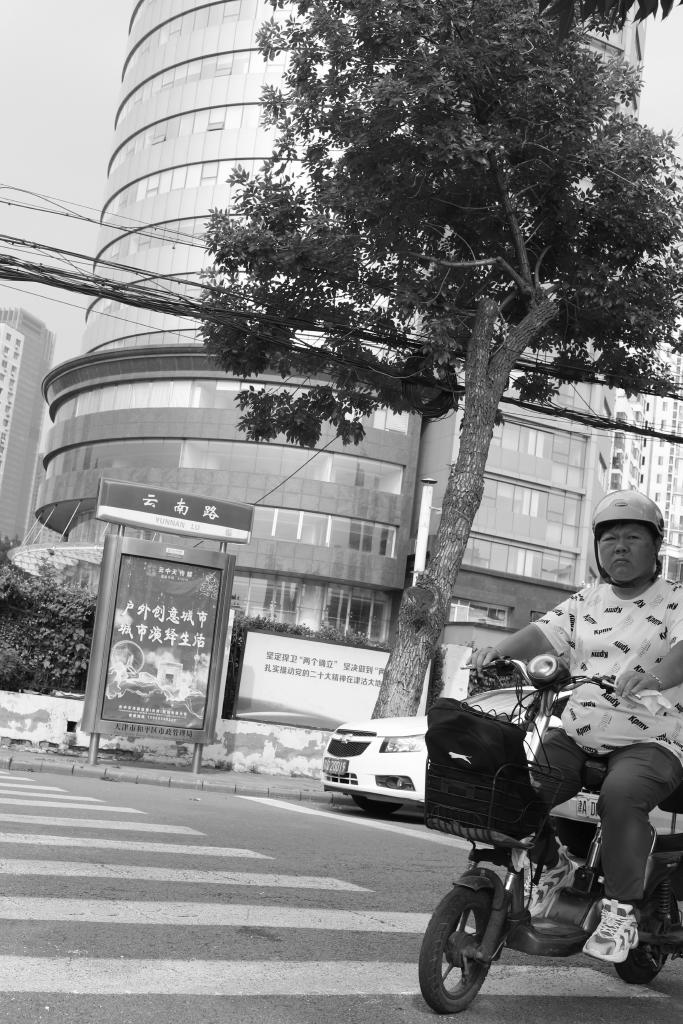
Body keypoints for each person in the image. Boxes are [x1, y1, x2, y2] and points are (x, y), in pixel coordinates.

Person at [468, 489, 683, 964]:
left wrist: (657, 676)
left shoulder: (677, 599)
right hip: (580, 731)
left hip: (652, 737)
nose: (619, 547)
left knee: (622, 795)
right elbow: (543, 633)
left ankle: (621, 911)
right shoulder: (587, 598)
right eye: (609, 539)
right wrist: (499, 650)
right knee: (526, 784)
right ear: (597, 548)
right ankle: (551, 863)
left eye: (632, 537)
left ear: (655, 546)